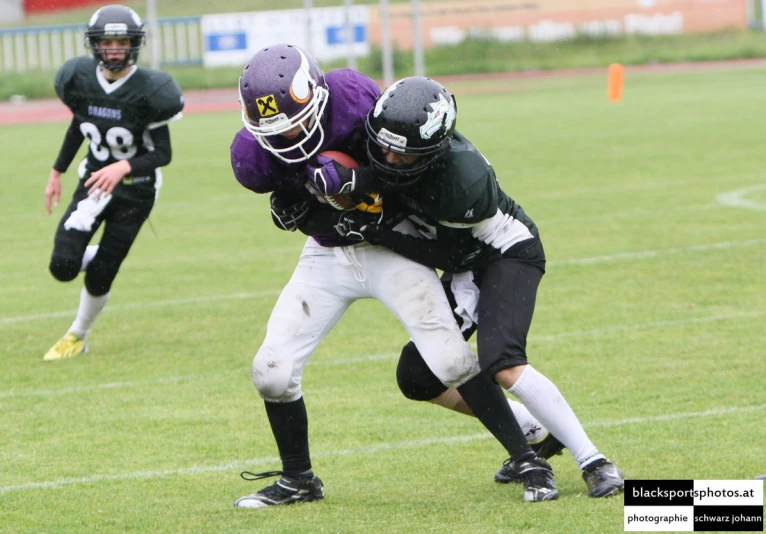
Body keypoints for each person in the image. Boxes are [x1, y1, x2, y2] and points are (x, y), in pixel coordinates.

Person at [230, 44, 559, 509]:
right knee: (271, 371)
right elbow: (296, 198)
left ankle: (528, 457)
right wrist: (292, 207)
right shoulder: (251, 157)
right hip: (329, 254)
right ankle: (299, 478)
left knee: (449, 359)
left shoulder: (352, 97)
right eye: (277, 132)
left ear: (318, 99)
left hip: (388, 242)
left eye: (299, 124)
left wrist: (358, 185)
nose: (290, 140)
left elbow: (404, 167)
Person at [307, 76, 625, 498]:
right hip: (464, 260)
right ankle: (534, 431)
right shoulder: (396, 148)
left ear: (432, 151)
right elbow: (381, 181)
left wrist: (378, 232)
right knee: (418, 375)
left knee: (503, 362)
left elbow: (452, 257)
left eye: (400, 155)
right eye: (381, 146)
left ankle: (595, 461)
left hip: (503, 254)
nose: (385, 157)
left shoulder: (461, 182)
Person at [42, 4, 184, 361]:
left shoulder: (150, 89)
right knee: (62, 266)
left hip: (136, 189)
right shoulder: (80, 79)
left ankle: (78, 334)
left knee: (100, 276)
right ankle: (99, 257)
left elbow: (162, 153)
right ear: (95, 44)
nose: (115, 49)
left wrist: (123, 167)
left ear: (134, 44)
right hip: (93, 182)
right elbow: (80, 125)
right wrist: (56, 171)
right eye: (108, 42)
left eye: (122, 41)